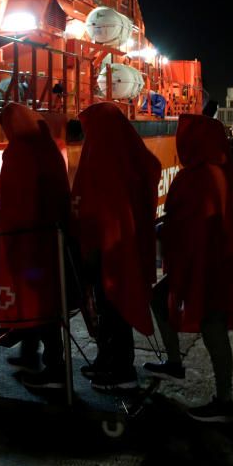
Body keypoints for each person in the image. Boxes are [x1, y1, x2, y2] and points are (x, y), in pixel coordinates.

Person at [155, 114, 233, 422]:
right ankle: (177, 364)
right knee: (166, 302)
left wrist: (166, 231)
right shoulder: (218, 171)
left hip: (205, 265)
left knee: (212, 326)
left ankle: (224, 400)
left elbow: (195, 224)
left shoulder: (200, 176)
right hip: (210, 261)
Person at [72, 103, 161, 391]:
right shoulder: (126, 154)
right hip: (116, 244)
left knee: (113, 307)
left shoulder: (104, 154)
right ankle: (106, 359)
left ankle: (120, 370)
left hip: (110, 248)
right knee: (107, 305)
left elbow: (100, 204)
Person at [0, 103, 71, 390]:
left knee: (38, 304)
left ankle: (54, 369)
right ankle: (29, 354)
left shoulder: (20, 152)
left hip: (27, 243)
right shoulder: (48, 146)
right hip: (47, 240)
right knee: (41, 302)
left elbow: (16, 201)